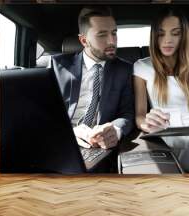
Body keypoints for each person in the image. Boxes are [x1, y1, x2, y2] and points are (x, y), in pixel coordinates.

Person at [133, 9, 189, 173]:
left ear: (183, 36)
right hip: (164, 135)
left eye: (175, 33)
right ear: (154, 36)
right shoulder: (142, 67)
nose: (167, 40)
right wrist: (147, 124)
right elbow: (140, 116)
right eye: (161, 34)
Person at [52, 6, 134, 152]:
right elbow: (42, 113)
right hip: (61, 141)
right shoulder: (57, 66)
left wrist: (115, 129)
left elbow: (128, 113)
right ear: (84, 41)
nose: (111, 41)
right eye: (102, 35)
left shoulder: (125, 70)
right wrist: (67, 132)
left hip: (99, 147)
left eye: (114, 33)